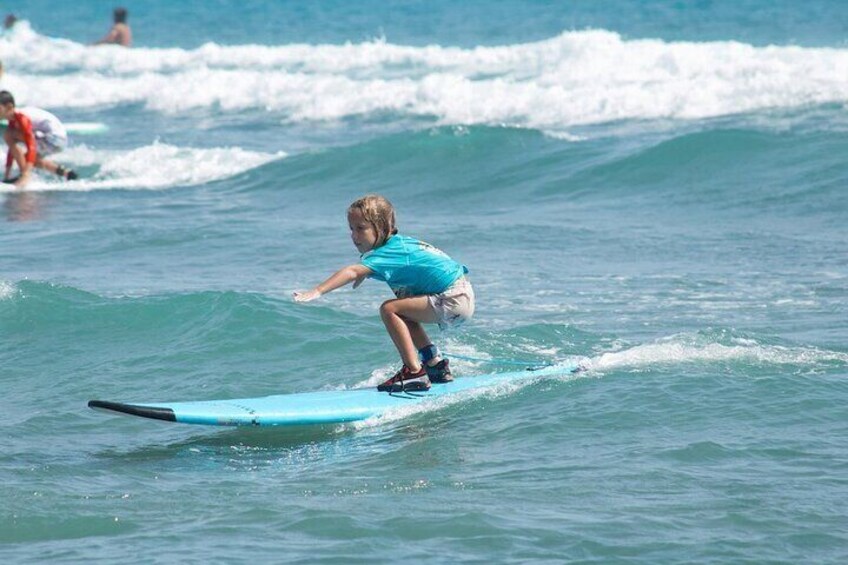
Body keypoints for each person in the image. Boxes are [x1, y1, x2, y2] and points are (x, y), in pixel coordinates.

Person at [293, 194, 475, 392]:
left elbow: (352, 270)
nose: (354, 236)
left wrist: (317, 291)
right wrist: (366, 271)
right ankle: (434, 365)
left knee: (389, 309)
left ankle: (414, 372)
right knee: (403, 308)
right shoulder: (399, 245)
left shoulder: (388, 253)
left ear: (381, 227)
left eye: (361, 228)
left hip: (452, 298)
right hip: (461, 294)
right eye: (351, 229)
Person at [1, 91, 78, 188]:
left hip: (55, 139)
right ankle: (67, 173)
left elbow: (31, 144)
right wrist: (7, 175)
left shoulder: (21, 117)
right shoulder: (13, 119)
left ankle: (24, 177)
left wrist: (26, 173)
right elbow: (12, 149)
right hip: (55, 139)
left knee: (10, 136)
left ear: (9, 107)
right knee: (30, 159)